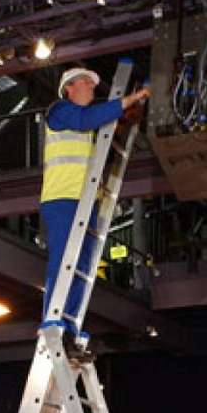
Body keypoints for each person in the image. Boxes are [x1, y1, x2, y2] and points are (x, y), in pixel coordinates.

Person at [39, 67, 150, 359]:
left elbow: (103, 125)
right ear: (69, 88)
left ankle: (70, 327)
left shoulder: (84, 124)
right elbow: (88, 118)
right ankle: (54, 323)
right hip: (62, 199)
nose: (91, 86)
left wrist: (132, 110)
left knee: (84, 267)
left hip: (85, 203)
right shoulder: (60, 111)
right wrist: (133, 97)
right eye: (86, 82)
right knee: (64, 261)